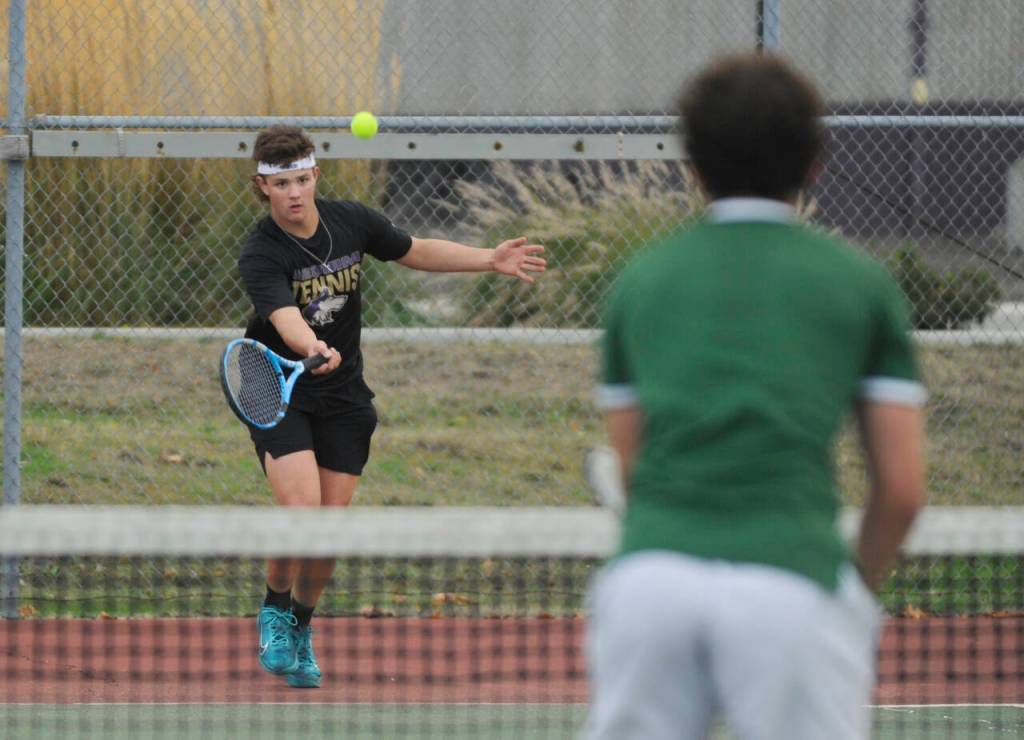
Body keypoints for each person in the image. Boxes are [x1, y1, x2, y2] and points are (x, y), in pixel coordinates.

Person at [585, 53, 926, 739]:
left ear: (694, 167)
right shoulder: (862, 286)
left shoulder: (641, 281)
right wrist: (855, 591)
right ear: (815, 164)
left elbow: (629, 464)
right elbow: (902, 489)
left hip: (649, 591)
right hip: (793, 586)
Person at [238, 125, 546, 688]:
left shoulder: (350, 221)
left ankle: (302, 627)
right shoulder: (261, 252)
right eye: (281, 184)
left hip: (346, 399)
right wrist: (311, 346)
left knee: (328, 533)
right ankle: (274, 611)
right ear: (262, 186)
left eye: (302, 180)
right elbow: (283, 314)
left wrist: (487, 259)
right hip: (279, 389)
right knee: (301, 516)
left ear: (316, 176)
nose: (295, 193)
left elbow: (414, 250)